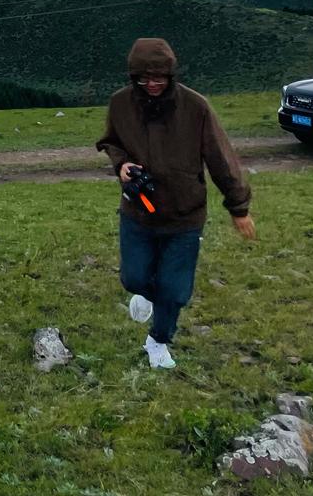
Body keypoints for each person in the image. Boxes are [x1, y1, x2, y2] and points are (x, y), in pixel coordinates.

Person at [96, 37, 256, 369]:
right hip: (138, 211)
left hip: (185, 215)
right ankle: (151, 295)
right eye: (143, 78)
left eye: (159, 78)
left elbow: (221, 159)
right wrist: (121, 164)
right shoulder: (120, 104)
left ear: (171, 75)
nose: (151, 84)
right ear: (133, 77)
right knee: (134, 279)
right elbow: (111, 141)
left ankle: (158, 341)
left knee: (175, 289)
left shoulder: (196, 107)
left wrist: (238, 207)